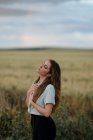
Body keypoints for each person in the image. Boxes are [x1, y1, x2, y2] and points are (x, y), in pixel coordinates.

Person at [26, 59, 61, 140]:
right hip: (34, 121)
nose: (41, 66)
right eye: (42, 64)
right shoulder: (35, 84)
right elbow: (28, 105)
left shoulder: (49, 88)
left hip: (44, 125)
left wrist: (32, 102)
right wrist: (29, 92)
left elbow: (47, 113)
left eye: (45, 67)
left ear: (49, 74)